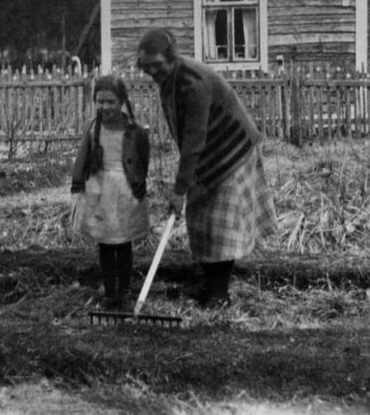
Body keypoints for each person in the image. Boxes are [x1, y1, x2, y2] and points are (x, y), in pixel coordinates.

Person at [136, 28, 276, 309]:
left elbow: (194, 140)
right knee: (201, 222)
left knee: (220, 227)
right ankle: (210, 286)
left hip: (232, 152)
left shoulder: (192, 82)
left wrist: (179, 189)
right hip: (207, 155)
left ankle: (219, 295)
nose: (151, 72)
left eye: (156, 65)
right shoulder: (169, 78)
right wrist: (189, 182)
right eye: (145, 66)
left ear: (171, 58)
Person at [70, 75, 150, 310]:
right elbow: (82, 157)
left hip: (125, 192)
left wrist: (139, 182)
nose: (105, 107)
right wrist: (77, 185)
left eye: (111, 102)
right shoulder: (93, 127)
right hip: (100, 190)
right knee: (105, 244)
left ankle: (124, 292)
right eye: (100, 101)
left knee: (123, 244)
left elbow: (143, 159)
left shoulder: (135, 130)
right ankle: (110, 292)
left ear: (122, 101)